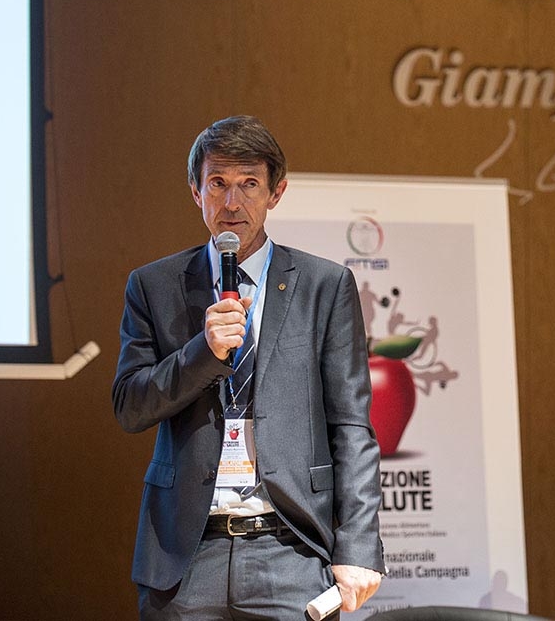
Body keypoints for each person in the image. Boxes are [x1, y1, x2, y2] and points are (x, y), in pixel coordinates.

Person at [113, 115, 384, 619]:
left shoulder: (324, 286)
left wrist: (359, 545)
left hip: (290, 549)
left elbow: (351, 425)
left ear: (276, 192)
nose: (232, 202)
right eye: (217, 183)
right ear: (196, 191)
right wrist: (202, 352)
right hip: (186, 557)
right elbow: (130, 407)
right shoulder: (154, 285)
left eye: (249, 184)